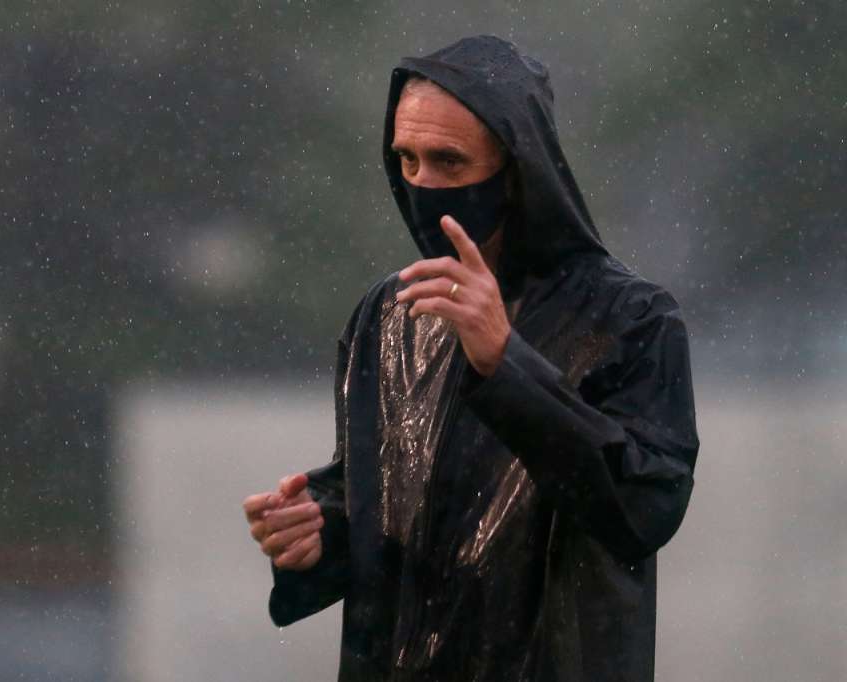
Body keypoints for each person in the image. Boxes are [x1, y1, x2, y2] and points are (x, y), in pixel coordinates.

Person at [242, 35, 699, 681]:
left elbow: (642, 509)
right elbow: (383, 498)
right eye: (406, 160)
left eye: (449, 162)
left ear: (517, 169)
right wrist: (315, 533)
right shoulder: (390, 313)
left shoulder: (631, 318)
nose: (423, 184)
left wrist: (505, 361)